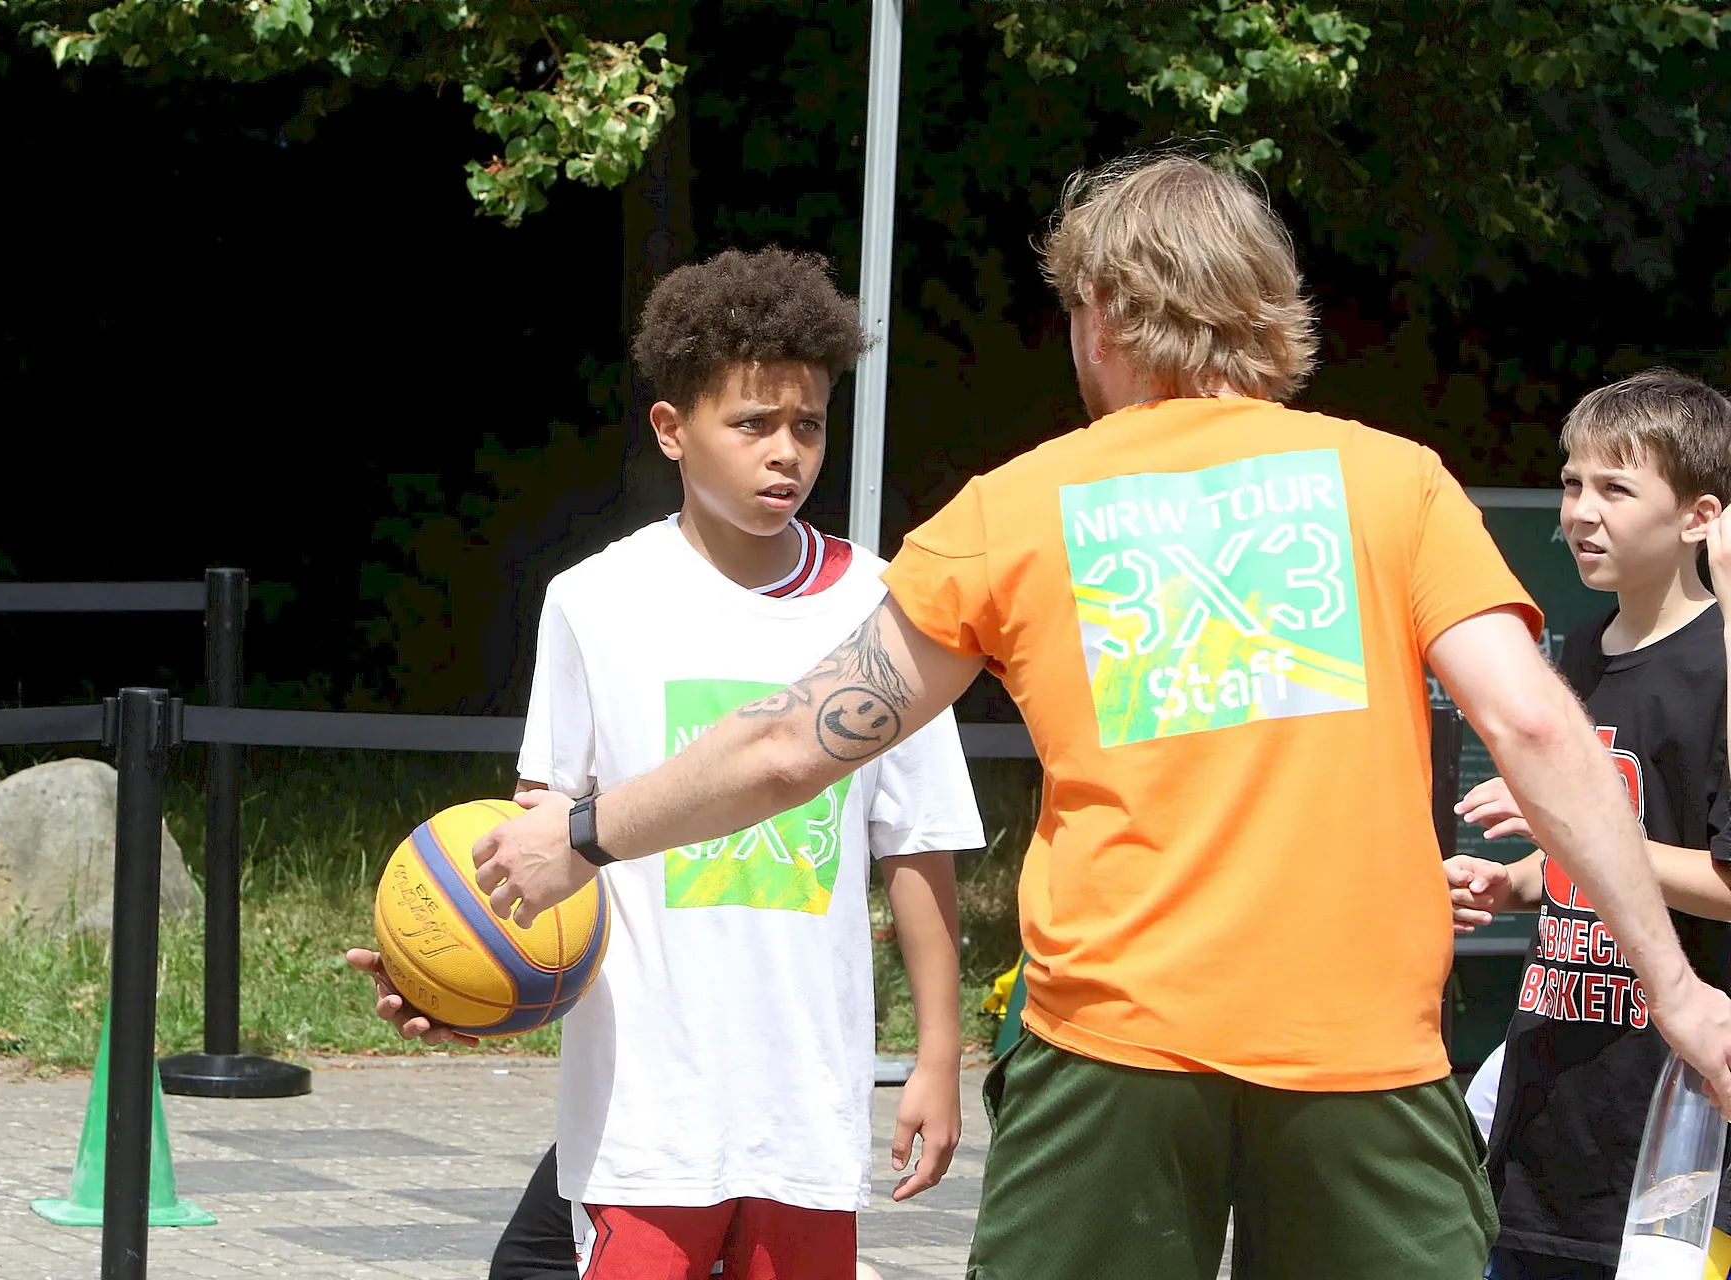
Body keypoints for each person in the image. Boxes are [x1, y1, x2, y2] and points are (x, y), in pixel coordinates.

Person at [462, 152, 1731, 1280]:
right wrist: (1674, 989)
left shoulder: (1014, 508)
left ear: (1108, 312)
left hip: (1113, 1052)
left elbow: (792, 742)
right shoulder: (1398, 483)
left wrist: (582, 831)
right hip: (1359, 1056)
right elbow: (1539, 729)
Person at [350, 245, 985, 1280]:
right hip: (643, 1112)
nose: (786, 453)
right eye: (753, 423)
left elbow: (918, 847)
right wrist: (455, 970)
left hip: (807, 1110)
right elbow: (540, 836)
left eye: (809, 424)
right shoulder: (594, 601)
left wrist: (939, 1056)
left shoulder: (884, 611)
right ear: (671, 429)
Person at [1446, 369, 1731, 1279]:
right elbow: (1582, 862)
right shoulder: (1580, 651)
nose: (1580, 512)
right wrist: (1517, 879)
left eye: (1615, 488)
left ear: (1699, 517)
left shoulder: (1719, 670)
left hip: (1671, 1119)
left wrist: (1579, 829)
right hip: (1550, 1104)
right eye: (1572, 483)